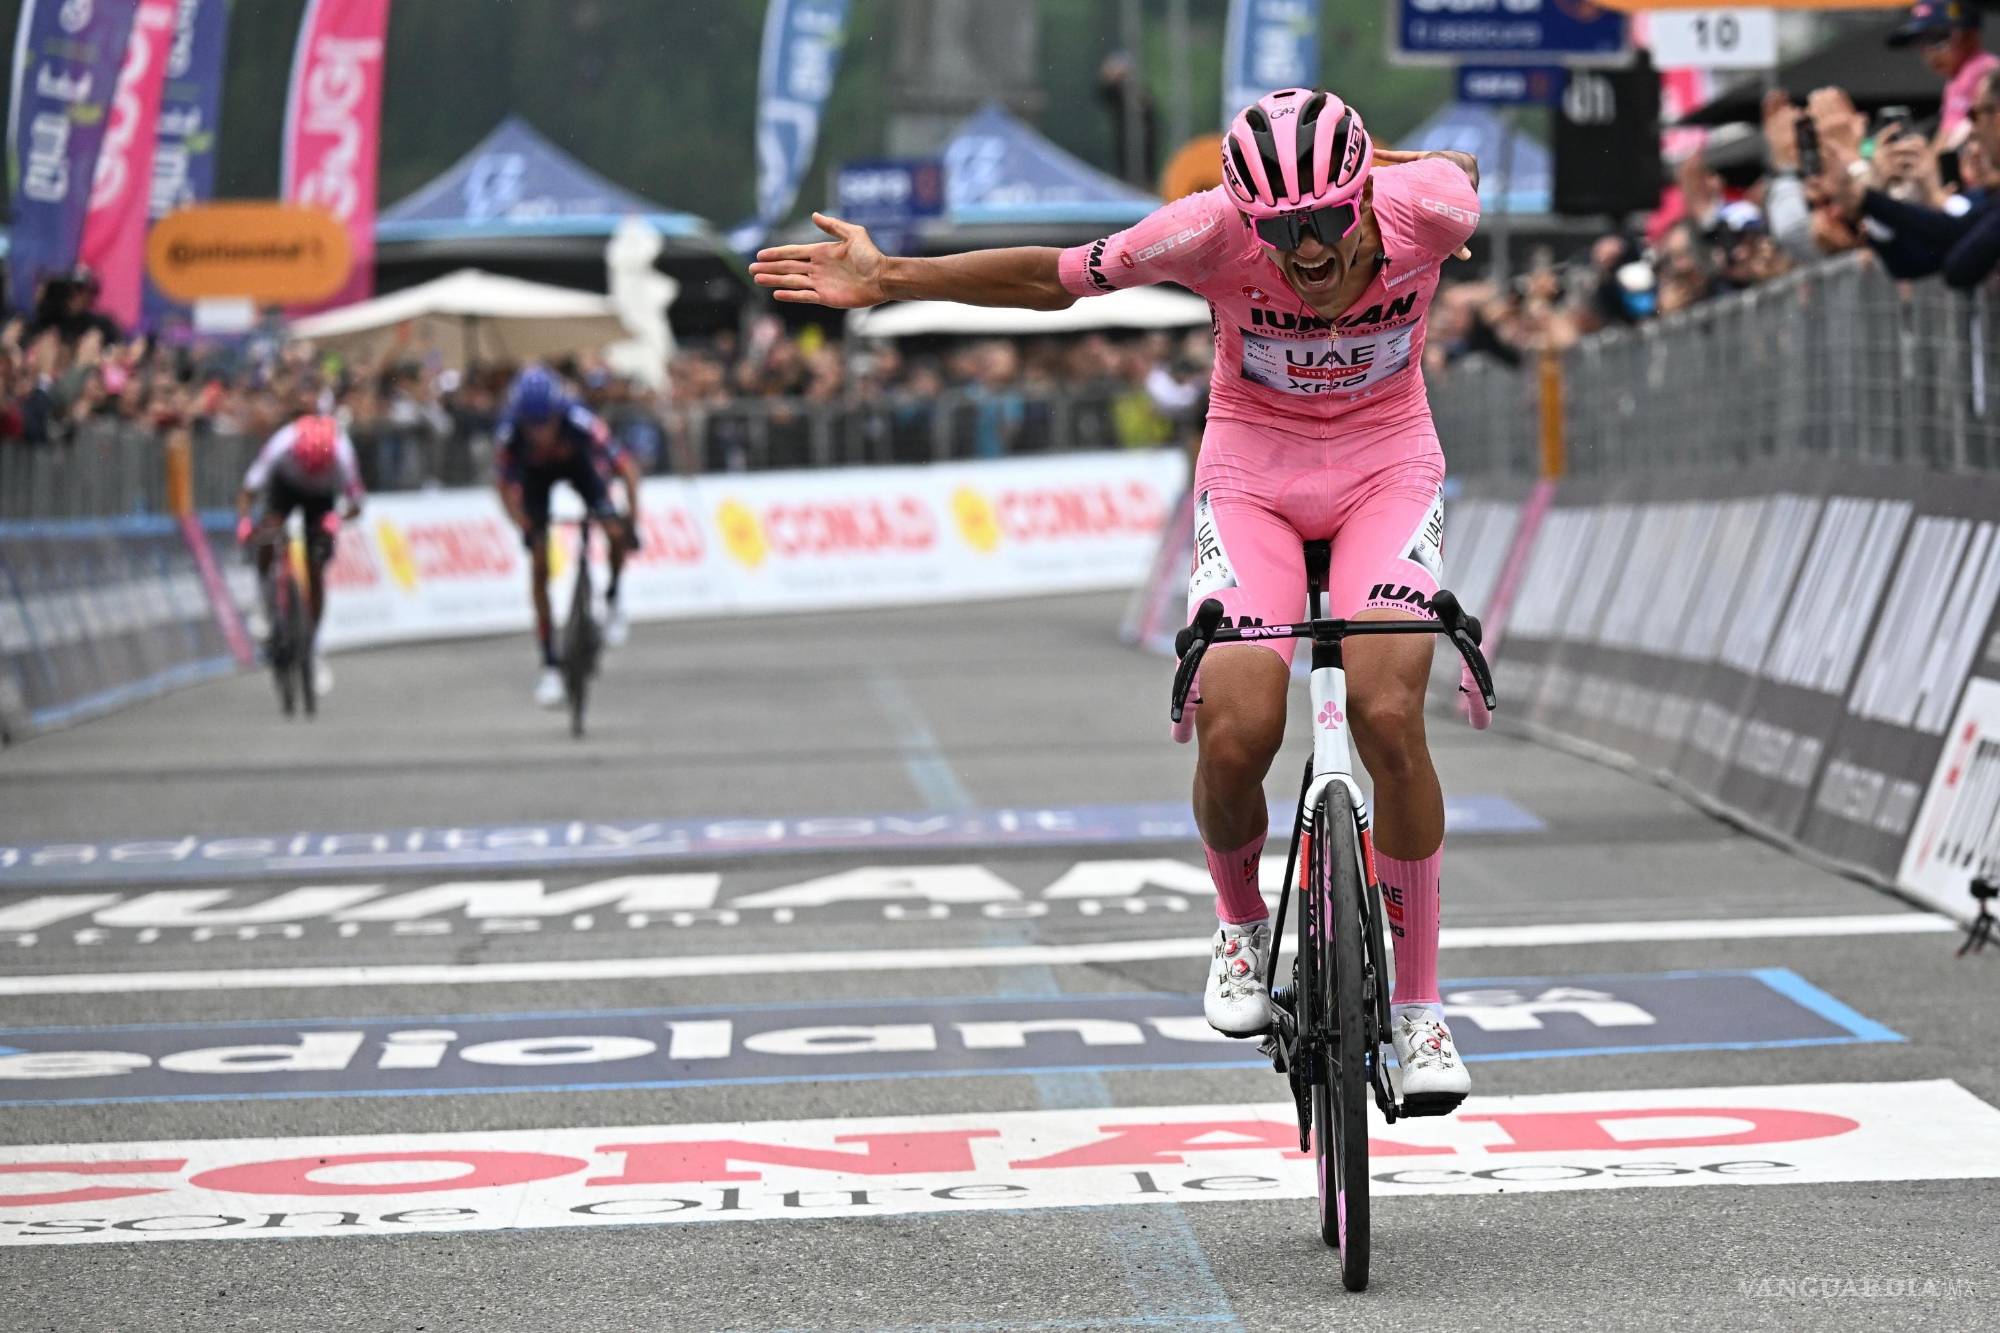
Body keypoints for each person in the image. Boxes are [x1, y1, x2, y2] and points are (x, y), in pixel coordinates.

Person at [752, 87, 1483, 1113]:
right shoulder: (1206, 230)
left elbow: (1459, 168)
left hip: (1386, 469)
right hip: (1254, 477)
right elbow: (1052, 280)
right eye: (1280, 232)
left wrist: (1387, 159)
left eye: (1324, 220)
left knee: (1389, 713)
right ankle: (1240, 926)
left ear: (1365, 196)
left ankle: (1417, 1007)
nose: (1307, 251)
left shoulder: (1431, 210)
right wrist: (891, 278)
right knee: (1236, 727)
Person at [495, 365, 641, 709]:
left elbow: (627, 470)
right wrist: (525, 526)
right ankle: (550, 665)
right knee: (539, 566)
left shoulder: (580, 421)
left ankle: (613, 598)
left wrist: (630, 522)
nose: (539, 433)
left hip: (581, 468)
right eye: (532, 425)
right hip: (535, 479)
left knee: (614, 531)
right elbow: (503, 486)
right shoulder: (510, 432)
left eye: (545, 423)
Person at [235, 412, 366, 696]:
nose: (310, 473)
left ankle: (313, 647)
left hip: (321, 499)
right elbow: (248, 490)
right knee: (267, 532)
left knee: (316, 566)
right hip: (284, 488)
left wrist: (337, 520)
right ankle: (264, 602)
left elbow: (357, 504)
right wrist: (245, 523)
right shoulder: (282, 444)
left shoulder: (342, 454)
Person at [1886, 0, 1998, 149]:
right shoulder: (1959, 77)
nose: (1929, 53)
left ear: (1969, 35)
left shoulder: (1981, 71)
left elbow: (1946, 149)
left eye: (1937, 38)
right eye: (1921, 41)